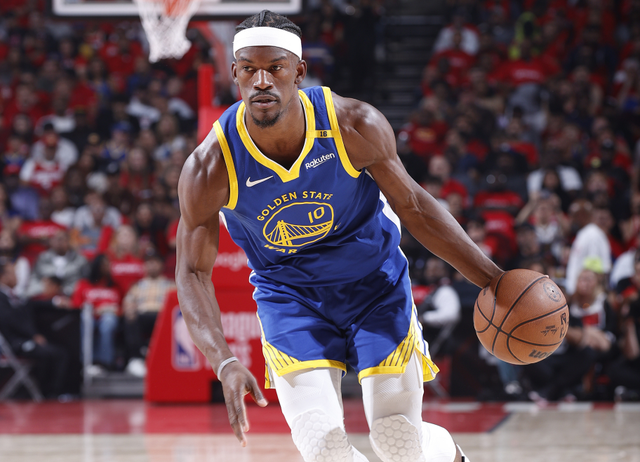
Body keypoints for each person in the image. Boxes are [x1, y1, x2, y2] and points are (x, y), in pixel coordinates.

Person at [176, 11, 502, 462]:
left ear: (299, 72)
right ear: (234, 73)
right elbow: (192, 272)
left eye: (275, 68)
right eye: (249, 69)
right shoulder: (210, 165)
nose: (262, 81)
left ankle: (450, 455)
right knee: (322, 446)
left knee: (398, 442)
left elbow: (414, 206)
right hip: (291, 298)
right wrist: (225, 361)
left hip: (375, 286)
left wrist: (492, 279)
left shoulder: (353, 124)